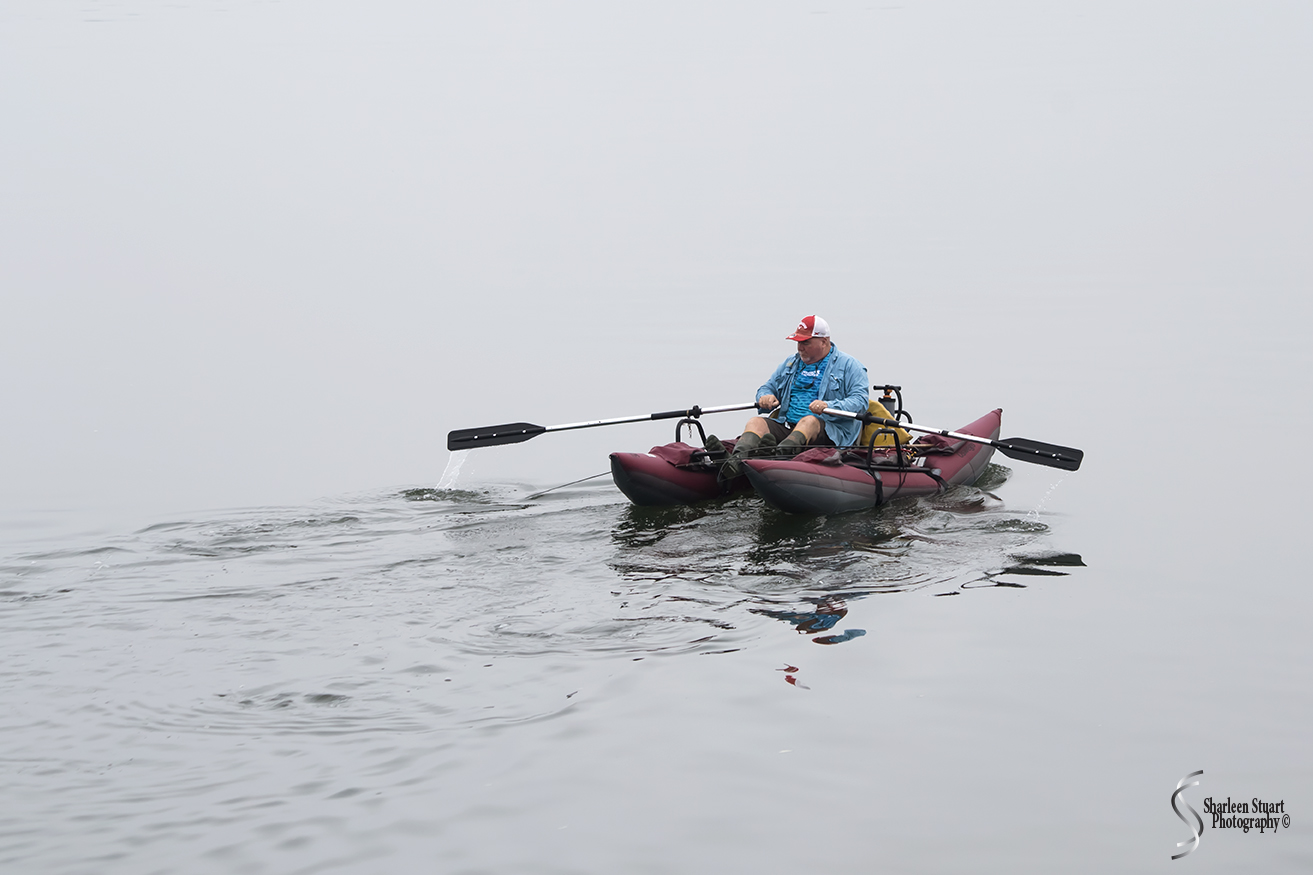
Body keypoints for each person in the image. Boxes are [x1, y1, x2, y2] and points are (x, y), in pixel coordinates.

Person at [715, 315, 869, 480]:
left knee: (809, 420)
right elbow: (768, 387)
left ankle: (776, 459)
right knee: (756, 422)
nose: (800, 348)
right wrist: (765, 396)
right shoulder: (791, 363)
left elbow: (860, 401)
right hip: (788, 427)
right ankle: (735, 462)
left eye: (805, 343)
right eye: (798, 342)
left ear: (824, 342)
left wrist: (828, 405)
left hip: (831, 433)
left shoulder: (850, 366)